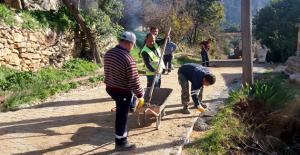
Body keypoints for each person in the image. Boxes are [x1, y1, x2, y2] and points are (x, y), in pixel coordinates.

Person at [104, 31, 144, 151]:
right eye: (133, 45)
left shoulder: (109, 53)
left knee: (123, 109)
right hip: (122, 91)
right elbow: (134, 80)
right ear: (130, 43)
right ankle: (121, 142)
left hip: (110, 88)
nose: (132, 48)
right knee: (122, 116)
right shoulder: (128, 58)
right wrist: (140, 95)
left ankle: (130, 105)